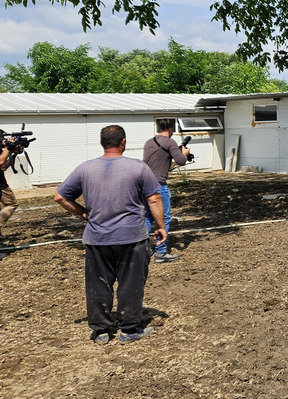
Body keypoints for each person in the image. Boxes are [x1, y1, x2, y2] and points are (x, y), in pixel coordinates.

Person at [54, 125, 166, 344]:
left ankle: (101, 331)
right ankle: (129, 330)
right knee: (130, 283)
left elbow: (60, 197)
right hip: (132, 237)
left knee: (98, 284)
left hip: (97, 239)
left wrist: (84, 213)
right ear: (122, 142)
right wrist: (160, 226)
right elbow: (154, 199)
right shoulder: (138, 167)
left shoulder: (85, 169)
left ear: (102, 143)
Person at [142, 119, 189, 263]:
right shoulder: (169, 142)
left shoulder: (149, 142)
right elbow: (181, 161)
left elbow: (163, 164)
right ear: (170, 128)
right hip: (159, 185)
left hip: (144, 184)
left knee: (148, 217)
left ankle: (140, 249)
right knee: (164, 218)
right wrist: (185, 153)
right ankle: (161, 252)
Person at [0, 132, 24, 239]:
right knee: (12, 204)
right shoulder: (5, 149)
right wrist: (8, 149)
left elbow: (3, 166)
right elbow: (0, 162)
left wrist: (14, 154)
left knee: (12, 204)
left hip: (1, 184)